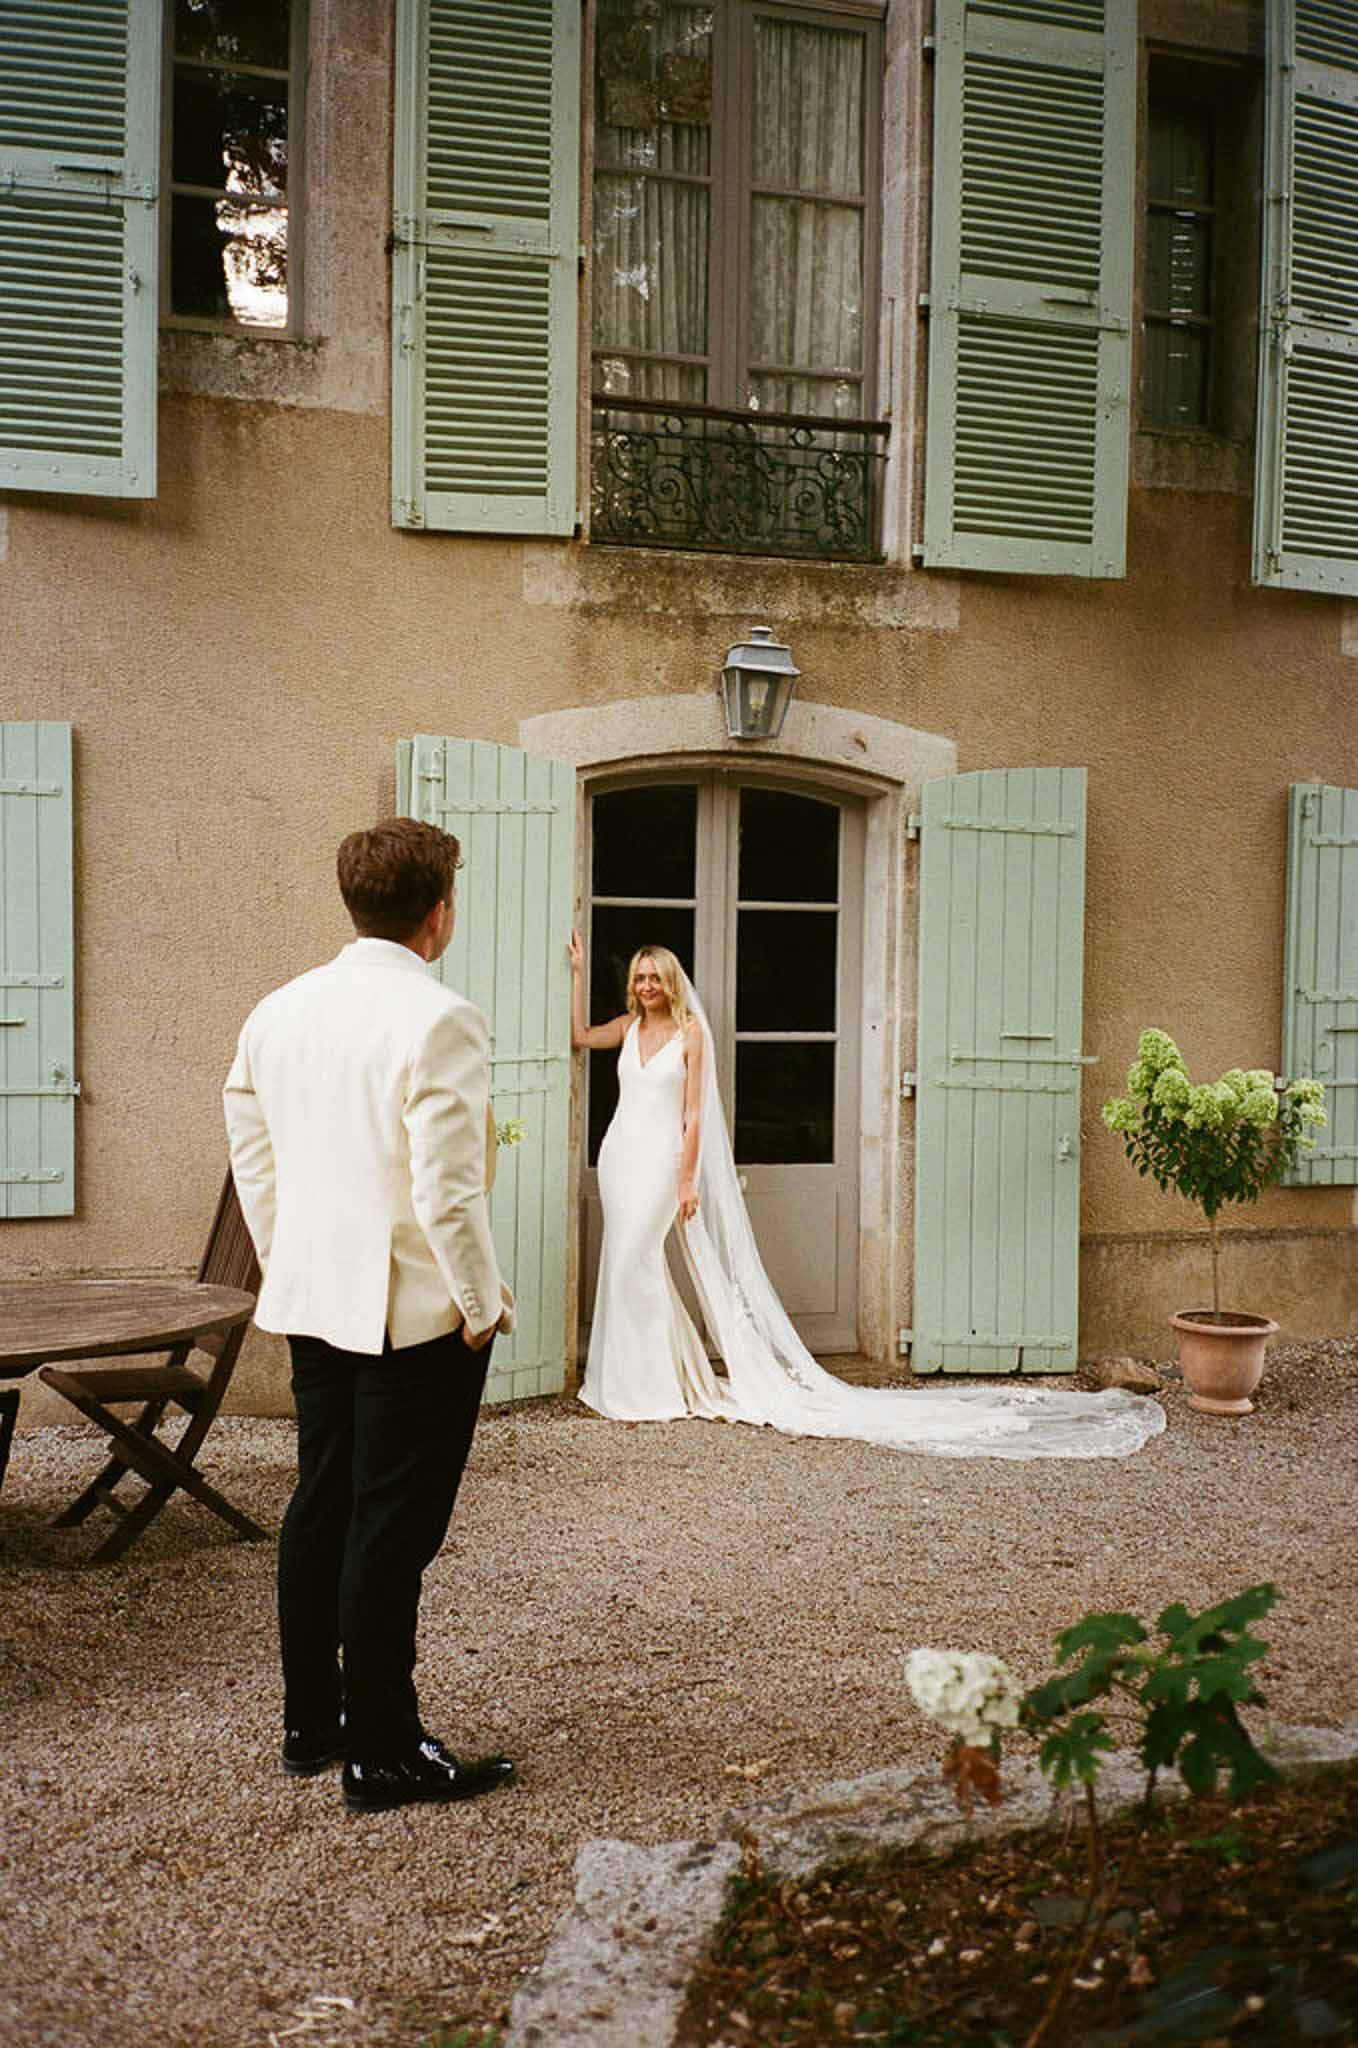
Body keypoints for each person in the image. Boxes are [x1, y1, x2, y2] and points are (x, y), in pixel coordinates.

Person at [570, 933, 1165, 1460]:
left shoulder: (692, 1033)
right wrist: (575, 975)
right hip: (620, 1156)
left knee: (633, 1264)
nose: (646, 985)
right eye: (639, 978)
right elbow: (578, 1036)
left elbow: (695, 1115)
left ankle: (649, 1387)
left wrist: (686, 1179)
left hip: (663, 1165)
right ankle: (631, 1381)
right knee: (627, 1264)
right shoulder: (628, 1029)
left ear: (671, 981)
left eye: (655, 977)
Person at [224, 818, 515, 1814]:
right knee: (388, 1526)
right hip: (412, 1312)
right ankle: (382, 1751)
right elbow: (447, 1191)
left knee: (322, 1503)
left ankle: (313, 1724)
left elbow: (252, 1155)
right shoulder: (440, 1016)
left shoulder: (277, 1010)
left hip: (316, 1297)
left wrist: (290, 1257)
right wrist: (482, 1302)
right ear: (439, 912)